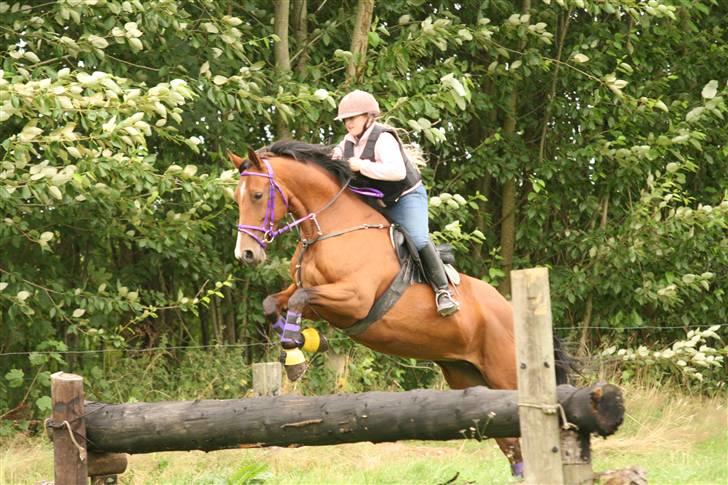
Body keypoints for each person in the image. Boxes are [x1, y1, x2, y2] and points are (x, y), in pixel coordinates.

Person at [332, 89, 460, 317]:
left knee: (418, 238)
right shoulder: (346, 143)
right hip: (378, 202)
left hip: (406, 197)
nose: (348, 123)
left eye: (352, 118)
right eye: (345, 119)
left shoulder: (383, 138)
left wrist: (360, 166)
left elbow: (397, 172)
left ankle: (443, 291)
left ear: (368, 117)